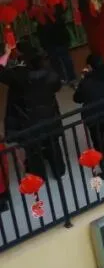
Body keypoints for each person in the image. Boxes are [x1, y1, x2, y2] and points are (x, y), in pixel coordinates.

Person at [1, 46, 65, 177]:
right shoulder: (50, 74)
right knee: (53, 144)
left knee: (33, 149)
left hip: (29, 121)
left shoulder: (18, 77)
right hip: (50, 116)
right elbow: (57, 86)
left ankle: (39, 174)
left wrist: (7, 53)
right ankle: (59, 171)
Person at [73, 54, 104, 180]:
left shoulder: (86, 82)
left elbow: (77, 98)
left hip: (93, 117)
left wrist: (83, 79)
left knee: (99, 144)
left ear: (90, 67)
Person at [35, 0, 75, 85]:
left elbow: (61, 20)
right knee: (56, 61)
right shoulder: (39, 13)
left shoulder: (55, 8)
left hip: (59, 40)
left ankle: (70, 78)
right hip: (51, 42)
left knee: (65, 60)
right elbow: (41, 29)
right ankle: (63, 78)